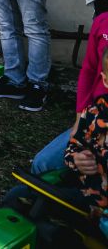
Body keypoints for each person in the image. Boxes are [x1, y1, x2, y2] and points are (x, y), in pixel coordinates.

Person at [30, 12, 108, 176]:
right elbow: (89, 70)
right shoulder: (103, 21)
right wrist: (80, 119)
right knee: (42, 165)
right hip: (95, 121)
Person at [64, 46, 108, 222]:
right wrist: (76, 158)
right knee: (19, 196)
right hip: (88, 199)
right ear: (105, 80)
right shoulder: (94, 113)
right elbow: (73, 146)